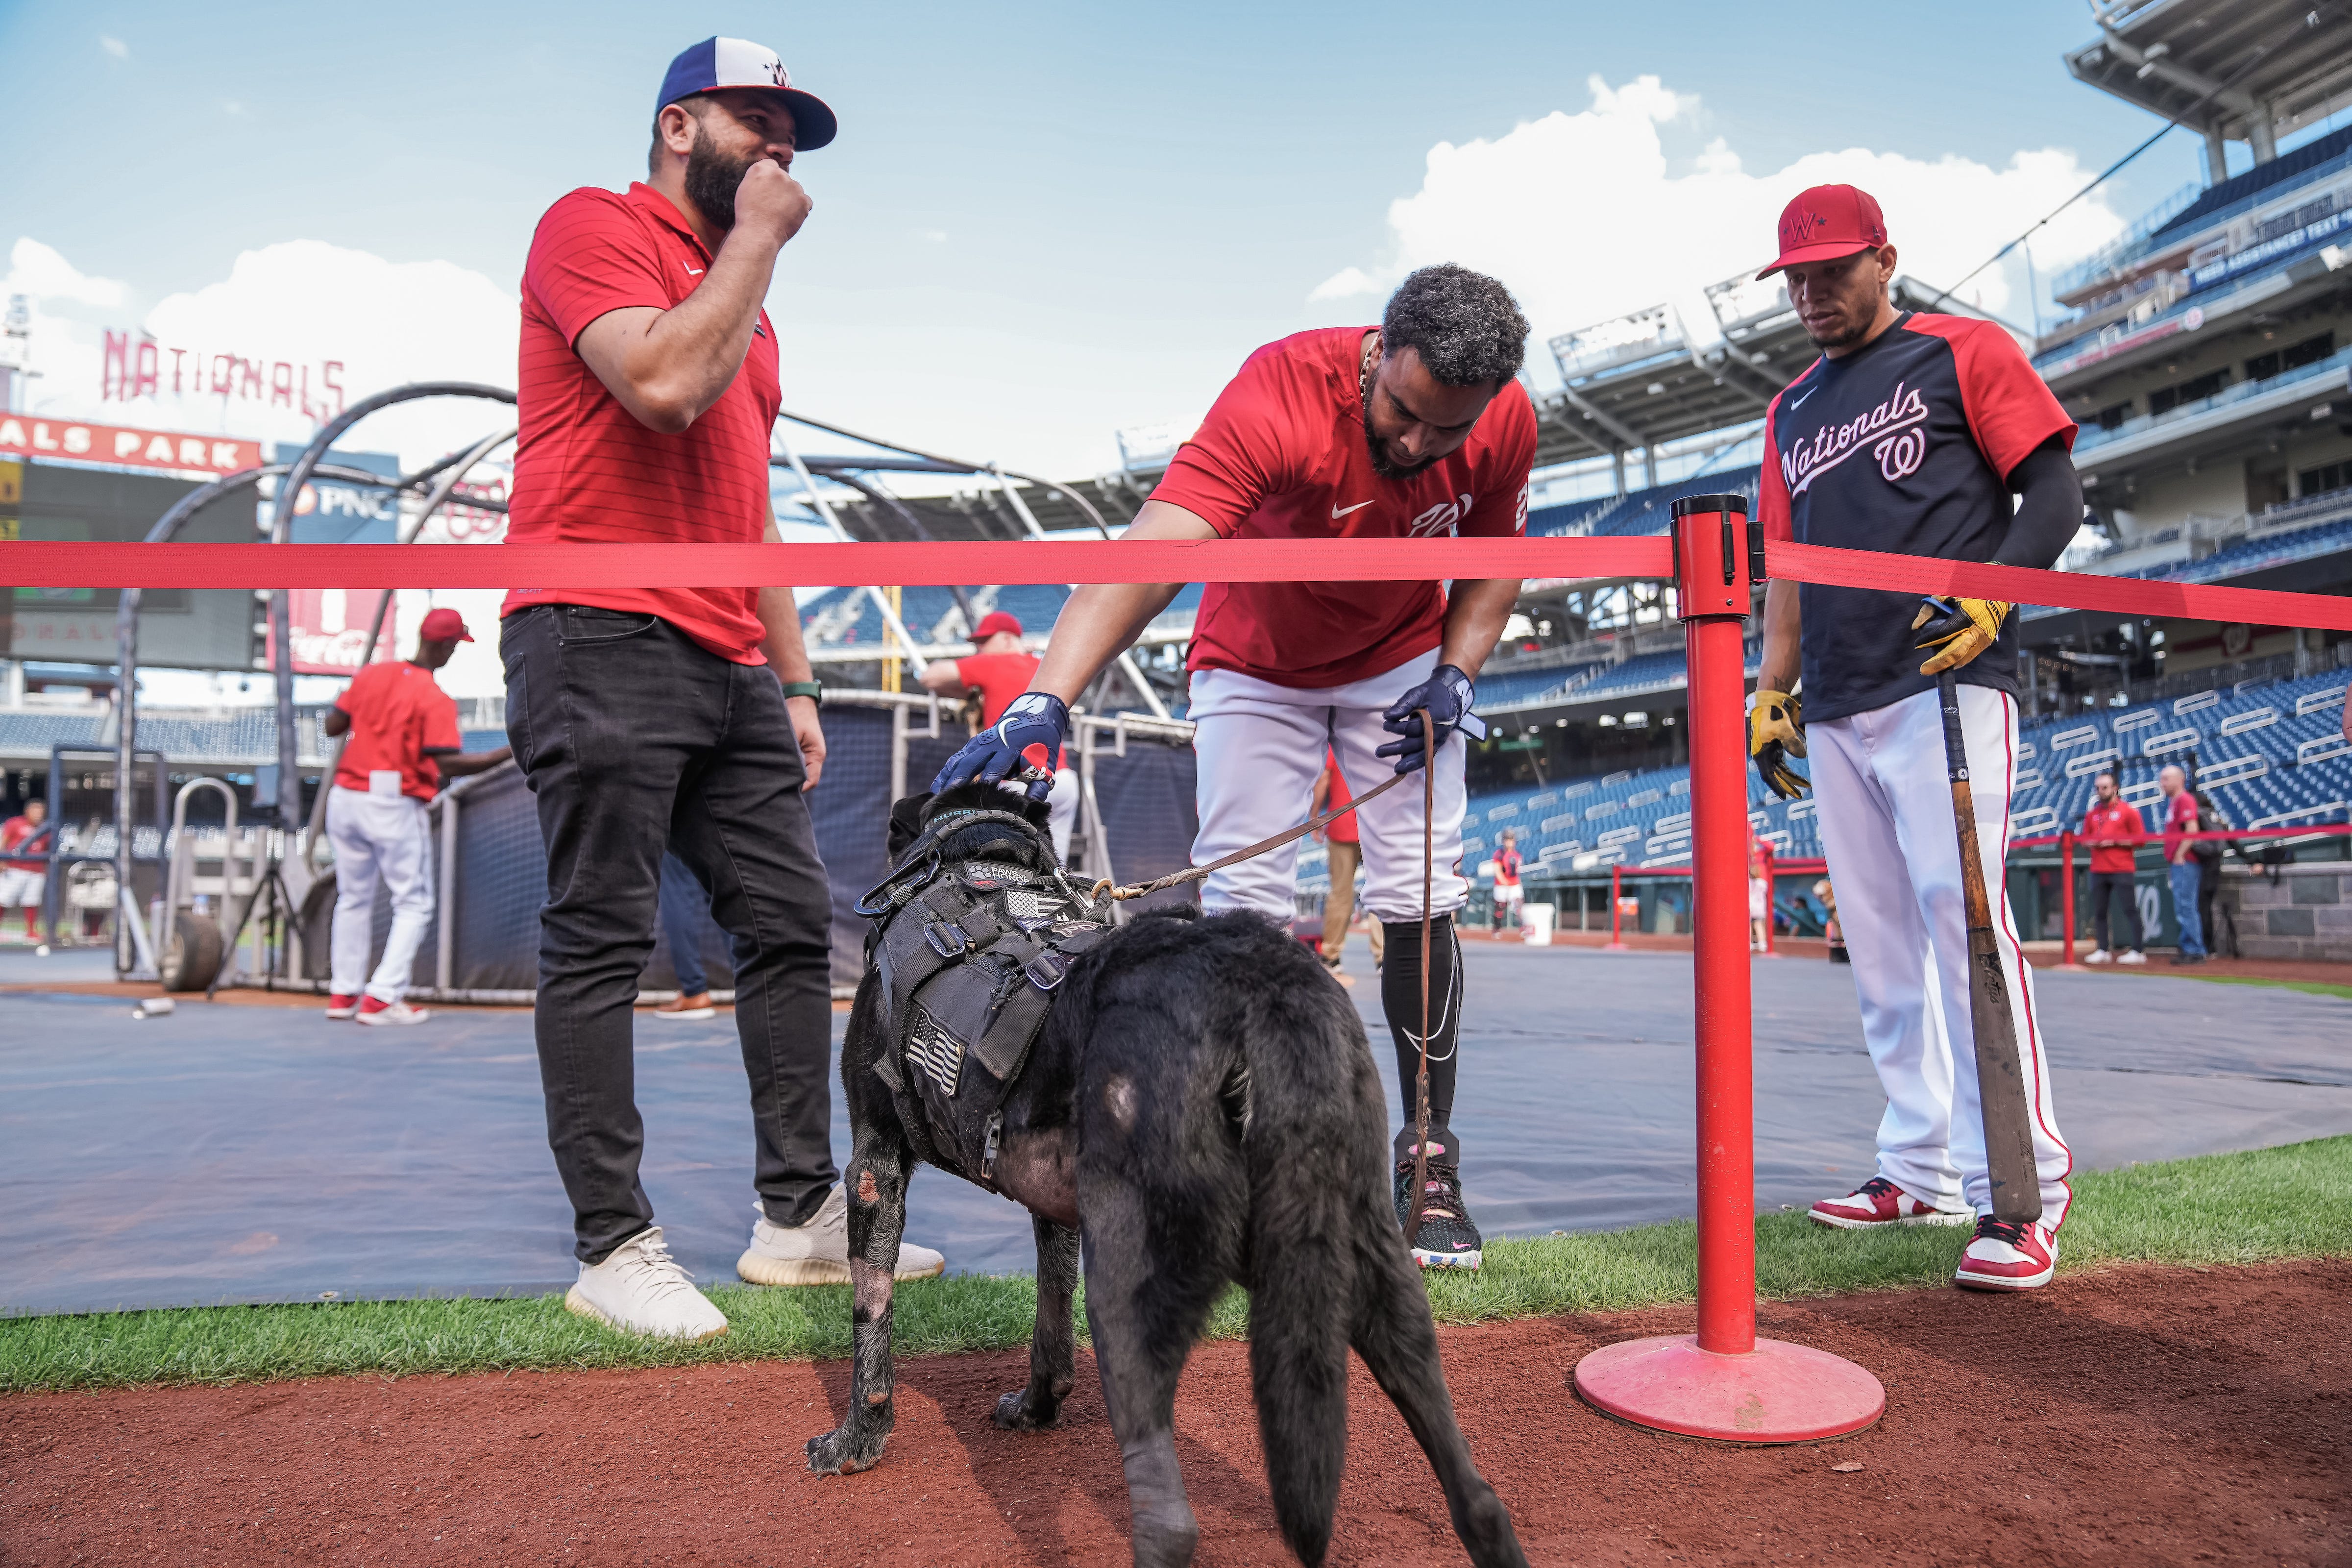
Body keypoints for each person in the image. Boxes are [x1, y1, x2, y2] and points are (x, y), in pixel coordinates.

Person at [933, 264, 1537, 1271]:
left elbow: (1496, 549)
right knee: (1248, 898)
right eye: (1403, 415)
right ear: (1378, 352)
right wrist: (1048, 696)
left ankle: (1427, 1160)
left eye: (1448, 432)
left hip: (1398, 655)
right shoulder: (1279, 394)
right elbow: (1150, 553)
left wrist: (1458, 673)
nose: (1418, 445)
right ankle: (1255, 1157)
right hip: (1256, 661)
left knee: (1424, 881)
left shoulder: (1506, 417)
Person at [502, 35, 943, 1340]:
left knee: (792, 919)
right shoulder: (588, 224)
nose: (784, 150)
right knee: (601, 929)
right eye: (760, 122)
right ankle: (612, 1246)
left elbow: (744, 499)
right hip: (594, 620)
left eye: (793, 132)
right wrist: (757, 242)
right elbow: (660, 385)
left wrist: (796, 681)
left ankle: (796, 1213)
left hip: (726, 653)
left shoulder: (750, 309)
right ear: (681, 126)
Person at [1748, 185, 2080, 1291]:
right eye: (1795, 277)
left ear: (1886, 260)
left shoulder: (1962, 350)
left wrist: (1995, 593)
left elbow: (2056, 494)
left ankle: (2022, 1191)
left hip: (1946, 680)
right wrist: (1772, 687)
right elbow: (1785, 567)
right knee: (1883, 952)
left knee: (1965, 927)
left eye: (1832, 270)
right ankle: (1917, 1163)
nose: (1811, 292)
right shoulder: (1789, 409)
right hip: (1839, 698)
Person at [321, 609, 511, 1026]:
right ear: (445, 645)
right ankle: (381, 998)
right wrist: (508, 751)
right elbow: (450, 765)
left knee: (353, 898)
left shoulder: (373, 674)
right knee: (414, 903)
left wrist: (365, 707)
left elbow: (333, 725)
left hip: (346, 797)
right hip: (392, 802)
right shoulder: (433, 697)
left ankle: (344, 994)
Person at [917, 610, 1077, 861]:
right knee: (1056, 874)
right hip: (1061, 779)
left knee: (1011, 873)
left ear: (1006, 639)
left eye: (984, 642)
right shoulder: (1042, 666)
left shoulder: (995, 662)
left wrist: (971, 691)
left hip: (1017, 783)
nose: (979, 649)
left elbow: (930, 677)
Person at [2077, 771, 2146, 964]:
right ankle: (2102, 949)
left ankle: (2138, 951)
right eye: (2098, 788)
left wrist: (2114, 841)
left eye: (2105, 787)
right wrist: (2092, 843)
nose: (2101, 791)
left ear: (2115, 788)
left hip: (2121, 867)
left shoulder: (2128, 810)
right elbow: (2085, 838)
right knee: (2100, 911)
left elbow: (2140, 839)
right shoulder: (2093, 814)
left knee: (2129, 909)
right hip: (2099, 868)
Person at [651, 851, 720, 1020]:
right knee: (722, 890)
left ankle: (695, 992)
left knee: (676, 889)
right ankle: (748, 986)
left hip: (674, 826)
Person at [1312, 749, 1363, 973]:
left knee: (1341, 893)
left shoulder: (1339, 738)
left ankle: (1331, 955)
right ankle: (1385, 956)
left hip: (1343, 821)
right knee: (1384, 889)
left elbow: (1324, 777)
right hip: (1377, 824)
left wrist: (1314, 815)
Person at [2158, 765, 2206, 966]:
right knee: (2183, 905)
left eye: (2166, 779)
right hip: (2179, 862)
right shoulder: (2173, 802)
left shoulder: (2185, 800)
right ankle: (2189, 947)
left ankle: (2194, 949)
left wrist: (2180, 853)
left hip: (2185, 862)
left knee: (2186, 906)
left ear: (2180, 780)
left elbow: (2192, 830)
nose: (2162, 783)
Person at [0, 797, 50, 947]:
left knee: (32, 901)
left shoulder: (46, 828)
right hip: (14, 869)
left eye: (41, 811)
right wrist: (2, 860)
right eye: (35, 810)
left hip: (36, 870)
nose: (38, 814)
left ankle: (31, 932)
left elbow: (47, 849)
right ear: (27, 811)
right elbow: (4, 841)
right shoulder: (15, 823)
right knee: (4, 899)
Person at [2193, 787, 2230, 958]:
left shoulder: (2199, 816)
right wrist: (2251, 860)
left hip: (2205, 866)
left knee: (2202, 908)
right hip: (2215, 866)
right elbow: (2232, 840)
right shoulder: (2215, 816)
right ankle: (2209, 947)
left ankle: (2207, 947)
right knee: (2205, 907)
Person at [1490, 826, 1524, 933]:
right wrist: (1505, 882)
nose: (1509, 842)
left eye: (1511, 840)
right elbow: (1498, 871)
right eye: (1507, 840)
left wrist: (1515, 883)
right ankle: (1497, 928)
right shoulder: (1499, 854)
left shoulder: (1517, 855)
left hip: (1514, 884)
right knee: (1500, 907)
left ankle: (1523, 927)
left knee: (1519, 906)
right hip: (1502, 885)